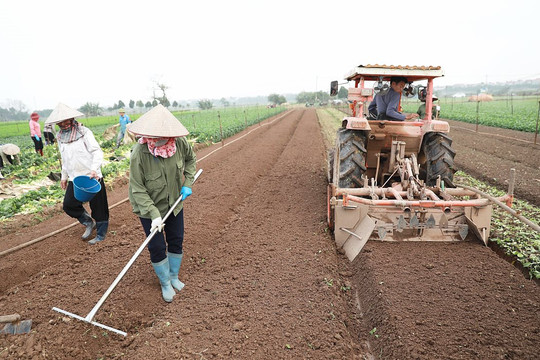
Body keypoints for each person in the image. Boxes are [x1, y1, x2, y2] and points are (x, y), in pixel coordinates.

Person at [128, 104, 196, 303]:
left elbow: (191, 160)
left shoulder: (180, 144)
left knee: (176, 239)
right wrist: (153, 214)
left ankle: (174, 276)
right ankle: (165, 282)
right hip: (148, 208)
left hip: (175, 203)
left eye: (163, 137)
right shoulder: (139, 154)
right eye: (155, 137)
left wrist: (188, 183)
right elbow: (137, 188)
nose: (159, 140)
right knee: (157, 246)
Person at [45, 103, 109, 245]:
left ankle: (101, 234)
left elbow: (97, 151)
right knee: (69, 205)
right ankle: (88, 222)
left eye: (66, 120)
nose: (64, 124)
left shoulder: (84, 132)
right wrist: (64, 176)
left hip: (92, 176)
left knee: (99, 207)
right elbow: (65, 160)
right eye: (60, 122)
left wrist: (94, 169)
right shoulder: (60, 137)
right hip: (75, 178)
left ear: (72, 119)